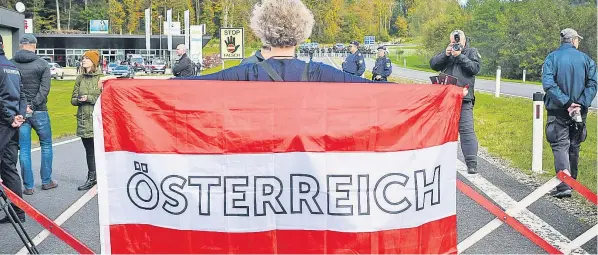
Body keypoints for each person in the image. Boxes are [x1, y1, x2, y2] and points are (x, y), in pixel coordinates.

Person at [170, 0, 378, 83]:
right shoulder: (318, 71)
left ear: (263, 32)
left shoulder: (247, 72)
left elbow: (194, 84)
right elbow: (367, 87)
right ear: (302, 32)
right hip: (303, 157)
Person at [542, 28, 597, 198]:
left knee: (560, 145)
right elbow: (593, 84)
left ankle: (564, 185)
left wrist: (567, 102)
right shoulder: (587, 60)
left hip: (558, 110)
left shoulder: (552, 58)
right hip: (579, 111)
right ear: (573, 40)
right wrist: (580, 103)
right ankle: (572, 182)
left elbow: (548, 84)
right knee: (575, 145)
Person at [10, 34, 57, 195]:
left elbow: (10, 89)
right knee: (46, 145)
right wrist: (33, 105)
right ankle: (46, 181)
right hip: (39, 110)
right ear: (34, 45)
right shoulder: (42, 64)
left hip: (20, 112)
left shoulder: (11, 64)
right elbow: (44, 89)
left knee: (24, 149)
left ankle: (28, 186)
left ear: (20, 45)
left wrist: (23, 107)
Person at [429, 29, 481, 174]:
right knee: (441, 130)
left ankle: (471, 163)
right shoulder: (448, 53)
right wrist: (445, 54)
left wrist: (460, 56)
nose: (455, 44)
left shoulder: (471, 52)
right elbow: (433, 64)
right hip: (445, 98)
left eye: (457, 42)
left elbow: (475, 68)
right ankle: (438, 162)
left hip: (464, 97)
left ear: (464, 41)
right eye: (452, 42)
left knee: (466, 130)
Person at [0, 34, 27, 223]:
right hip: (12, 124)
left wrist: (11, 118)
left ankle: (17, 211)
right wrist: (19, 115)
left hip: (3, 122)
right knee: (9, 167)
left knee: (8, 167)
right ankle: (18, 212)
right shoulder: (12, 67)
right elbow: (22, 95)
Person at [71, 50, 103, 191]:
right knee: (89, 150)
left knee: (100, 150)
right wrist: (78, 99)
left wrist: (88, 98)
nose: (83, 60)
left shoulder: (101, 79)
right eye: (82, 58)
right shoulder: (80, 78)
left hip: (97, 120)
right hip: (84, 119)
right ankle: (92, 177)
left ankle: (102, 177)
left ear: (93, 62)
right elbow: (72, 99)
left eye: (86, 58)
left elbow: (106, 99)